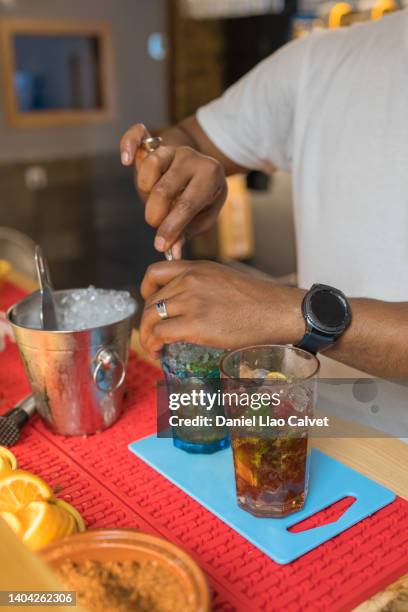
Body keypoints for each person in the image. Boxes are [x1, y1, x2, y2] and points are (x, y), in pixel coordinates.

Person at [120, 12, 408, 377]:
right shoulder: (317, 61)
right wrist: (172, 166)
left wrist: (282, 311)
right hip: (314, 414)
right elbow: (187, 137)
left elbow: (276, 311)